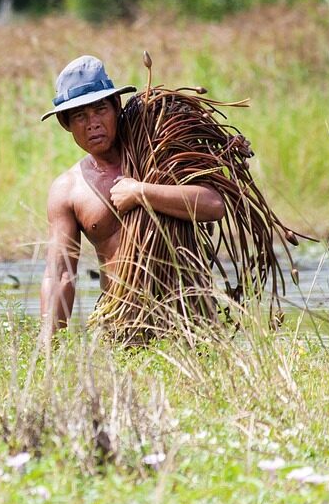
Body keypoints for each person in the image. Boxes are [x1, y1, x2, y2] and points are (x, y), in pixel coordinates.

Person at [39, 55, 226, 334]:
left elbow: (213, 204)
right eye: (80, 116)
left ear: (116, 107)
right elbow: (60, 273)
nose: (93, 123)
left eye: (100, 110)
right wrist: (47, 347)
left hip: (188, 318)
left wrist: (141, 192)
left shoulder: (159, 156)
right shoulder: (67, 190)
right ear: (66, 125)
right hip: (121, 322)